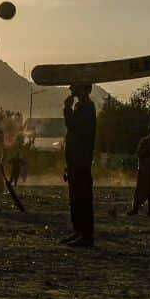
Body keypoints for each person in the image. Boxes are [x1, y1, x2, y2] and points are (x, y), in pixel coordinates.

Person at [61, 83, 96, 247]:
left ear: (83, 89)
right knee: (75, 198)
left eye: (74, 88)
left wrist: (67, 108)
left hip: (81, 160)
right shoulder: (82, 106)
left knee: (82, 198)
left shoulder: (87, 107)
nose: (71, 90)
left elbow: (72, 125)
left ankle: (86, 235)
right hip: (75, 159)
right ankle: (78, 232)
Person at [130, 123, 150, 216]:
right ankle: (135, 209)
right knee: (141, 190)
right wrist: (148, 152)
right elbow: (139, 153)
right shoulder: (144, 141)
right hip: (144, 170)